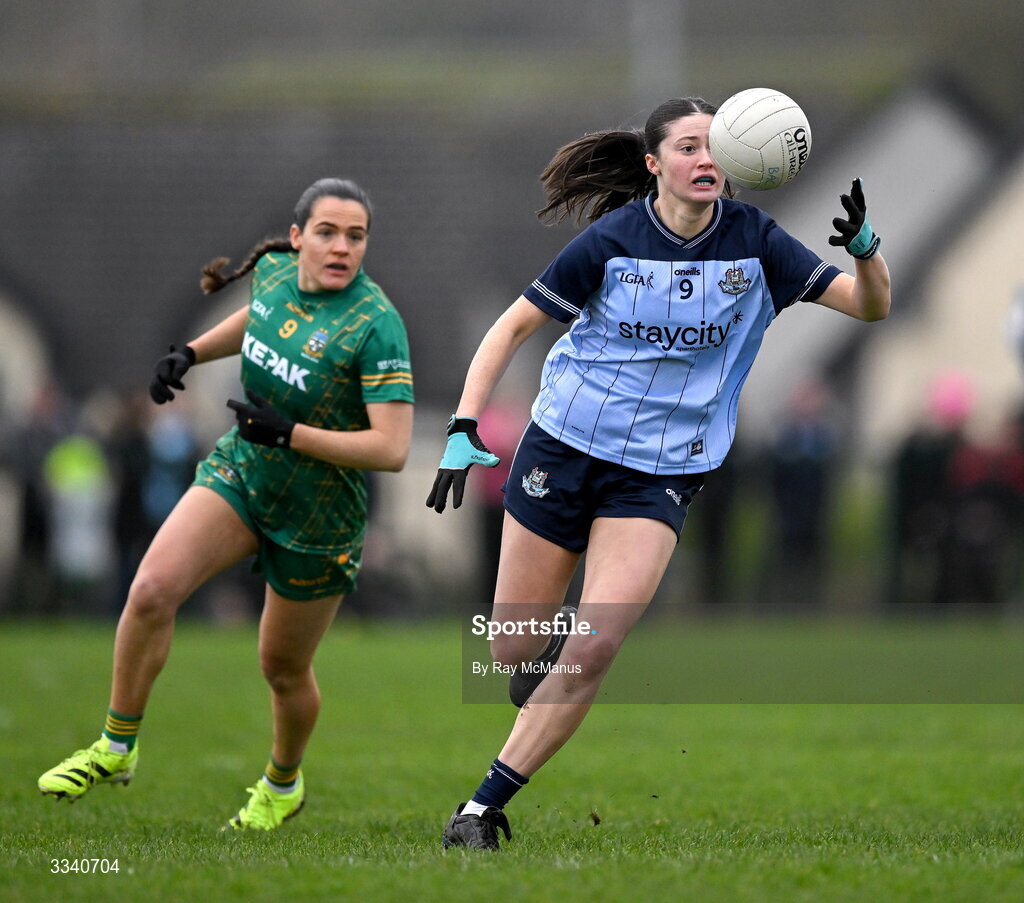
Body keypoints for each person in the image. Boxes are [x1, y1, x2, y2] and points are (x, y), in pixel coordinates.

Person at [425, 96, 890, 850]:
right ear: (654, 165)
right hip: (563, 446)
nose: (706, 160)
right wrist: (462, 427)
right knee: (509, 649)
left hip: (661, 474)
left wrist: (867, 249)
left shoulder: (758, 243)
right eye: (687, 148)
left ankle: (480, 808)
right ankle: (539, 657)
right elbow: (511, 326)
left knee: (598, 643)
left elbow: (871, 307)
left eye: (716, 148)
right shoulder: (612, 241)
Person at [37, 177, 415, 831]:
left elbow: (392, 447)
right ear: (296, 238)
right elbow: (256, 320)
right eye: (327, 232)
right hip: (243, 473)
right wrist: (191, 352)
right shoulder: (271, 272)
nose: (341, 247)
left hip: (318, 517)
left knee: (282, 667)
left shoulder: (376, 325)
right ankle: (115, 746)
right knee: (151, 587)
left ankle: (282, 782)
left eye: (356, 236)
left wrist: (292, 433)